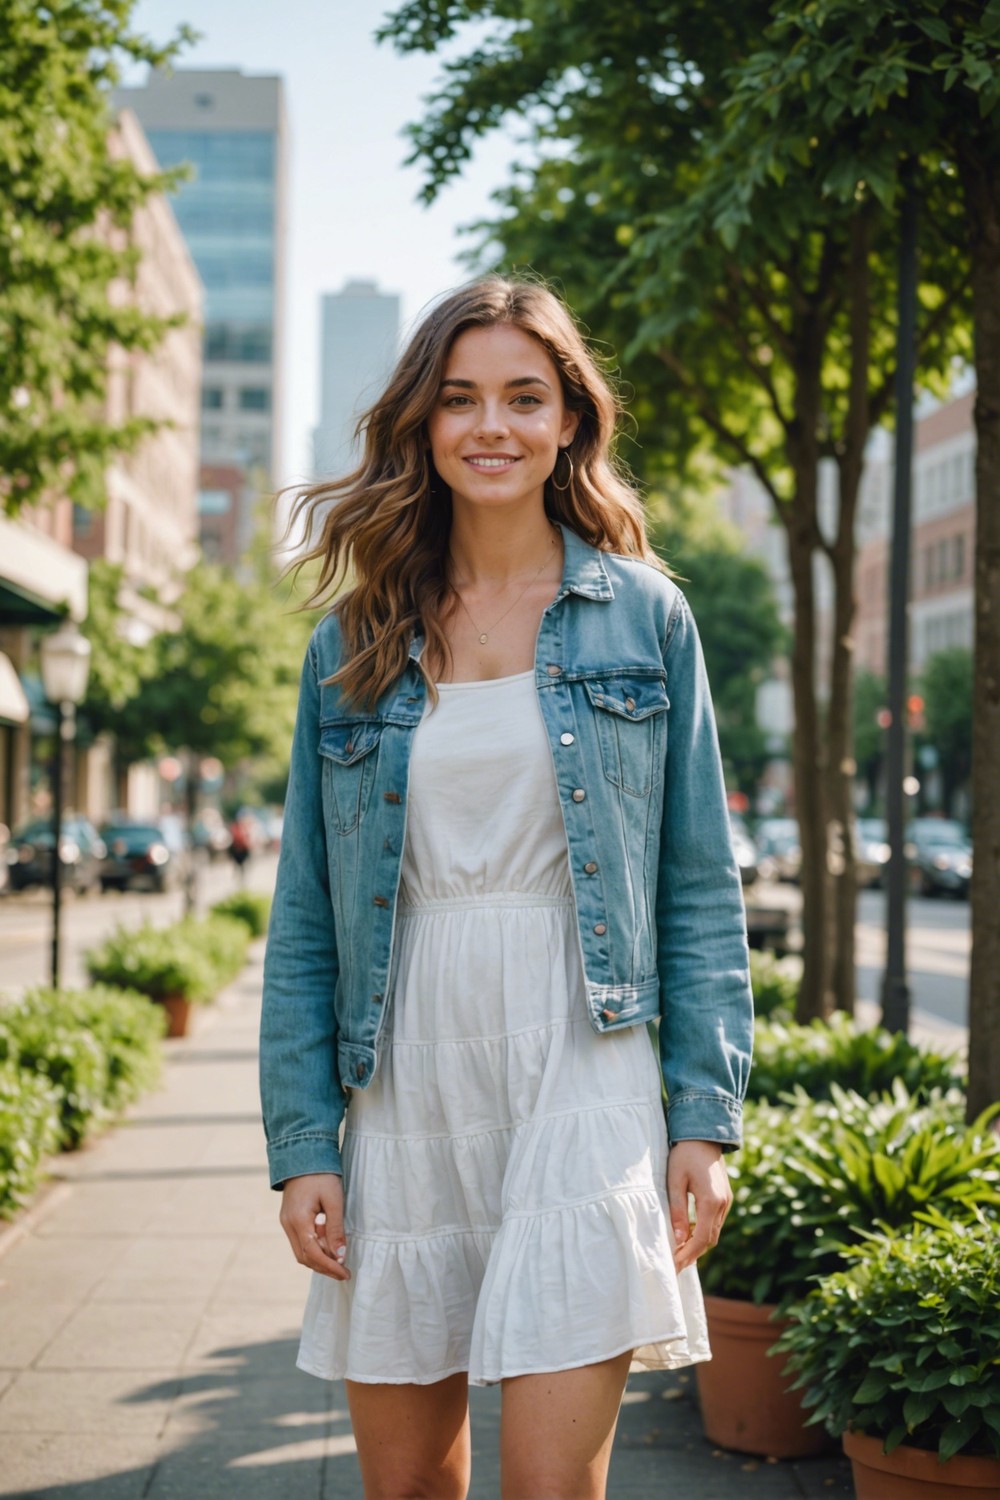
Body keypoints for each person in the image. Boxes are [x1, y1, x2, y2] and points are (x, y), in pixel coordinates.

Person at [259, 275, 754, 1500]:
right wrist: (302, 1143)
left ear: (571, 422)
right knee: (410, 1490)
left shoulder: (644, 619)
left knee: (549, 1486)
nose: (492, 426)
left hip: (582, 1068)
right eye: (460, 398)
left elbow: (698, 887)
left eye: (524, 398)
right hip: (405, 1076)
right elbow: (308, 916)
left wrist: (705, 1116)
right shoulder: (355, 637)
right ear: (422, 424)